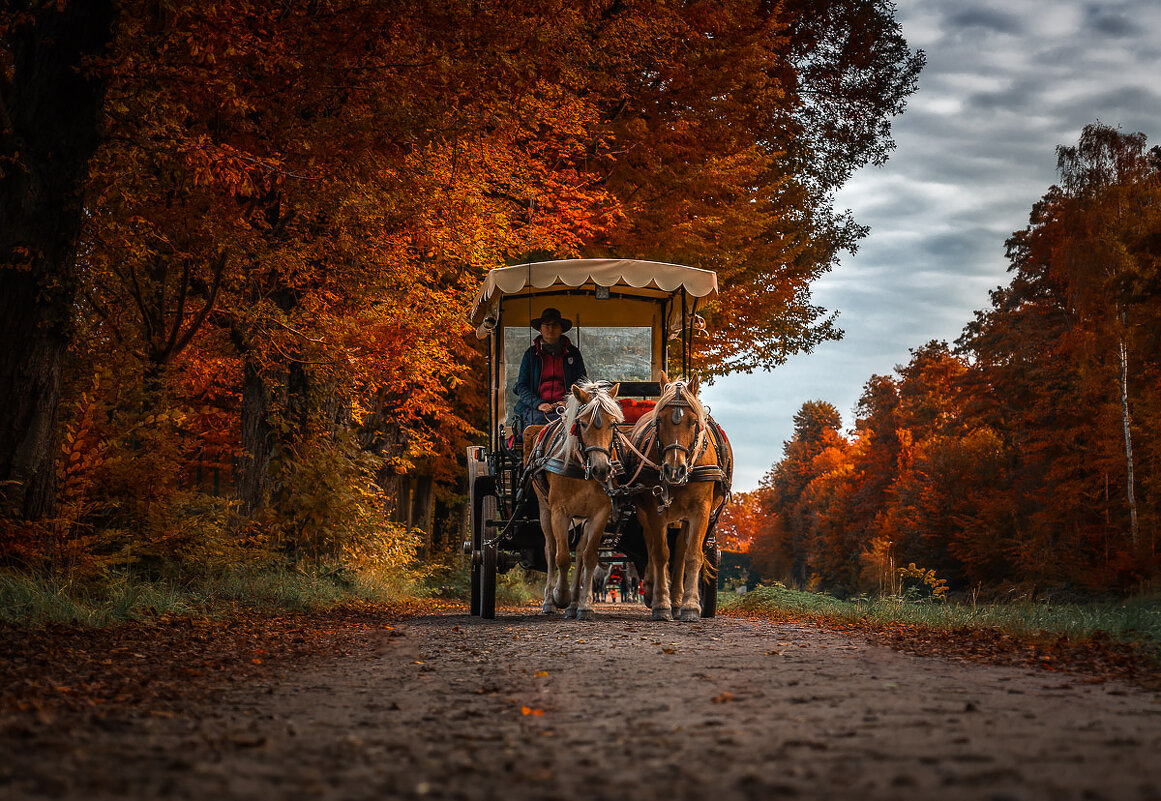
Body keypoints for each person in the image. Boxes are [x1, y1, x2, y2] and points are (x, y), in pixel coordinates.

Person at [513, 307, 587, 429]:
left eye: (555, 325)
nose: (550, 329)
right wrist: (539, 404)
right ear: (540, 329)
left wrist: (568, 402)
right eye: (546, 325)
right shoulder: (531, 354)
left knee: (580, 426)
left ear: (561, 329)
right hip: (536, 408)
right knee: (536, 423)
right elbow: (522, 386)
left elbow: (581, 382)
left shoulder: (573, 353)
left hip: (566, 406)